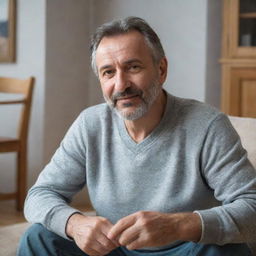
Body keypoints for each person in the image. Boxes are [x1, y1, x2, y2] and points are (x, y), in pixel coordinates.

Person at [18, 16, 256, 256]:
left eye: (133, 67)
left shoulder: (207, 125)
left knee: (226, 249)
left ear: (161, 69)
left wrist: (180, 225)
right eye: (108, 72)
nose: (121, 84)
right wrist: (74, 223)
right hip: (114, 250)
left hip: (186, 250)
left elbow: (251, 207)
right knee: (39, 237)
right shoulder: (90, 124)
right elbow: (39, 196)